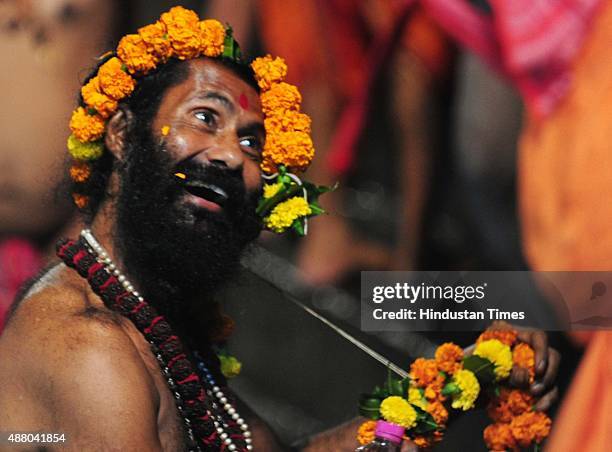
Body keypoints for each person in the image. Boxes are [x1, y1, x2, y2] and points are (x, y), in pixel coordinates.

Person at [0, 7, 559, 451]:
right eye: (205, 117)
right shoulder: (90, 348)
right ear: (121, 133)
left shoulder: (157, 320)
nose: (229, 155)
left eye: (251, 143)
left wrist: (447, 389)